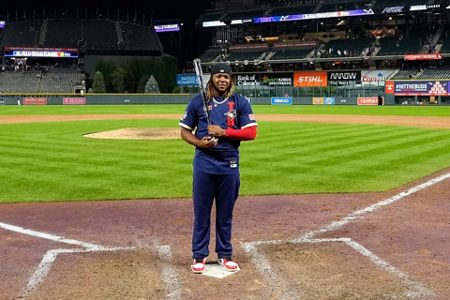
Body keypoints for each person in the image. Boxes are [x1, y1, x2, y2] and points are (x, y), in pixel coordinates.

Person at [179, 62, 257, 274]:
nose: (222, 80)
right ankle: (199, 255)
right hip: (204, 163)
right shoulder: (198, 102)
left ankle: (225, 254)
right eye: (218, 76)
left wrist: (224, 133)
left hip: (229, 164)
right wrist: (200, 143)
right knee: (201, 212)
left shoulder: (240, 102)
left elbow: (251, 133)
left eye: (226, 77)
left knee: (225, 214)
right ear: (212, 78)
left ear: (231, 80)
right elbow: (184, 131)